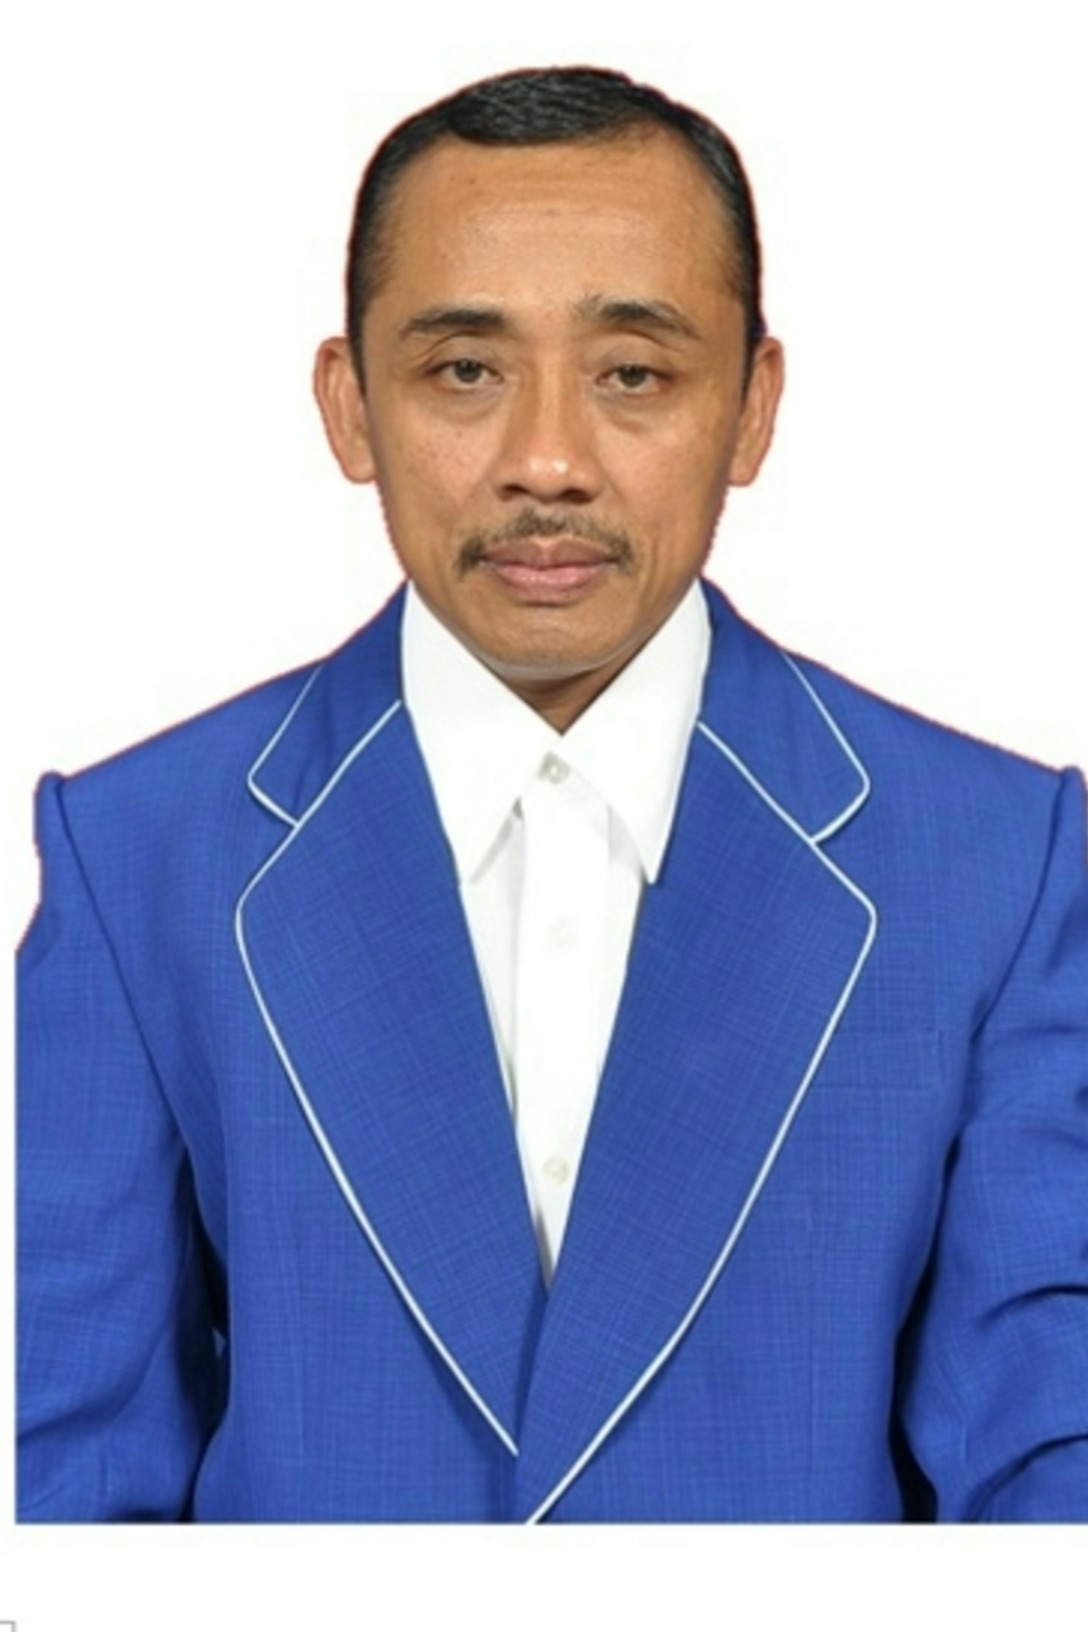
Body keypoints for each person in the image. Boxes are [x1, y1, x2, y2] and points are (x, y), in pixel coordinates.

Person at [17, 65, 1088, 1524]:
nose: (546, 462)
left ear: (753, 407)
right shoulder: (141, 856)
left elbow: (1052, 1466)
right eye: (466, 369)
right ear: (349, 406)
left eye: (632, 373)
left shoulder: (994, 865)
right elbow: (57, 1481)